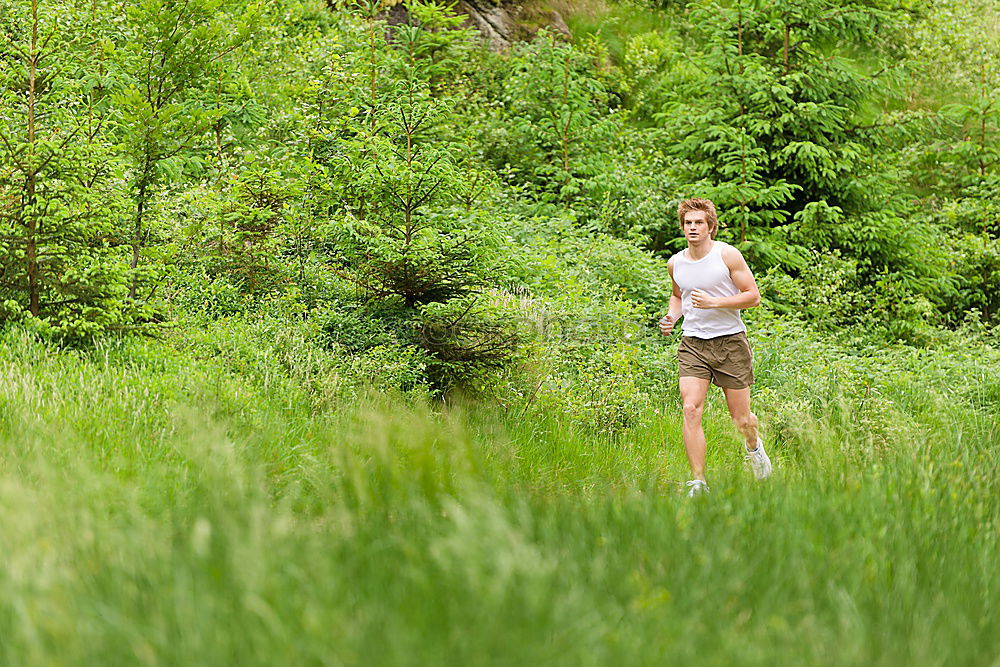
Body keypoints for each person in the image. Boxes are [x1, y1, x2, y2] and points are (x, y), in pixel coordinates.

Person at [659, 198, 771, 496]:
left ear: (710, 226)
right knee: (690, 408)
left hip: (730, 342)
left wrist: (715, 302)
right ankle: (698, 482)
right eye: (688, 223)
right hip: (693, 343)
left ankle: (754, 447)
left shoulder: (727, 255)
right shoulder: (676, 263)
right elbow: (678, 296)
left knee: (741, 419)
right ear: (682, 227)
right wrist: (672, 317)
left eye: (698, 223)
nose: (692, 228)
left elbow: (753, 296)